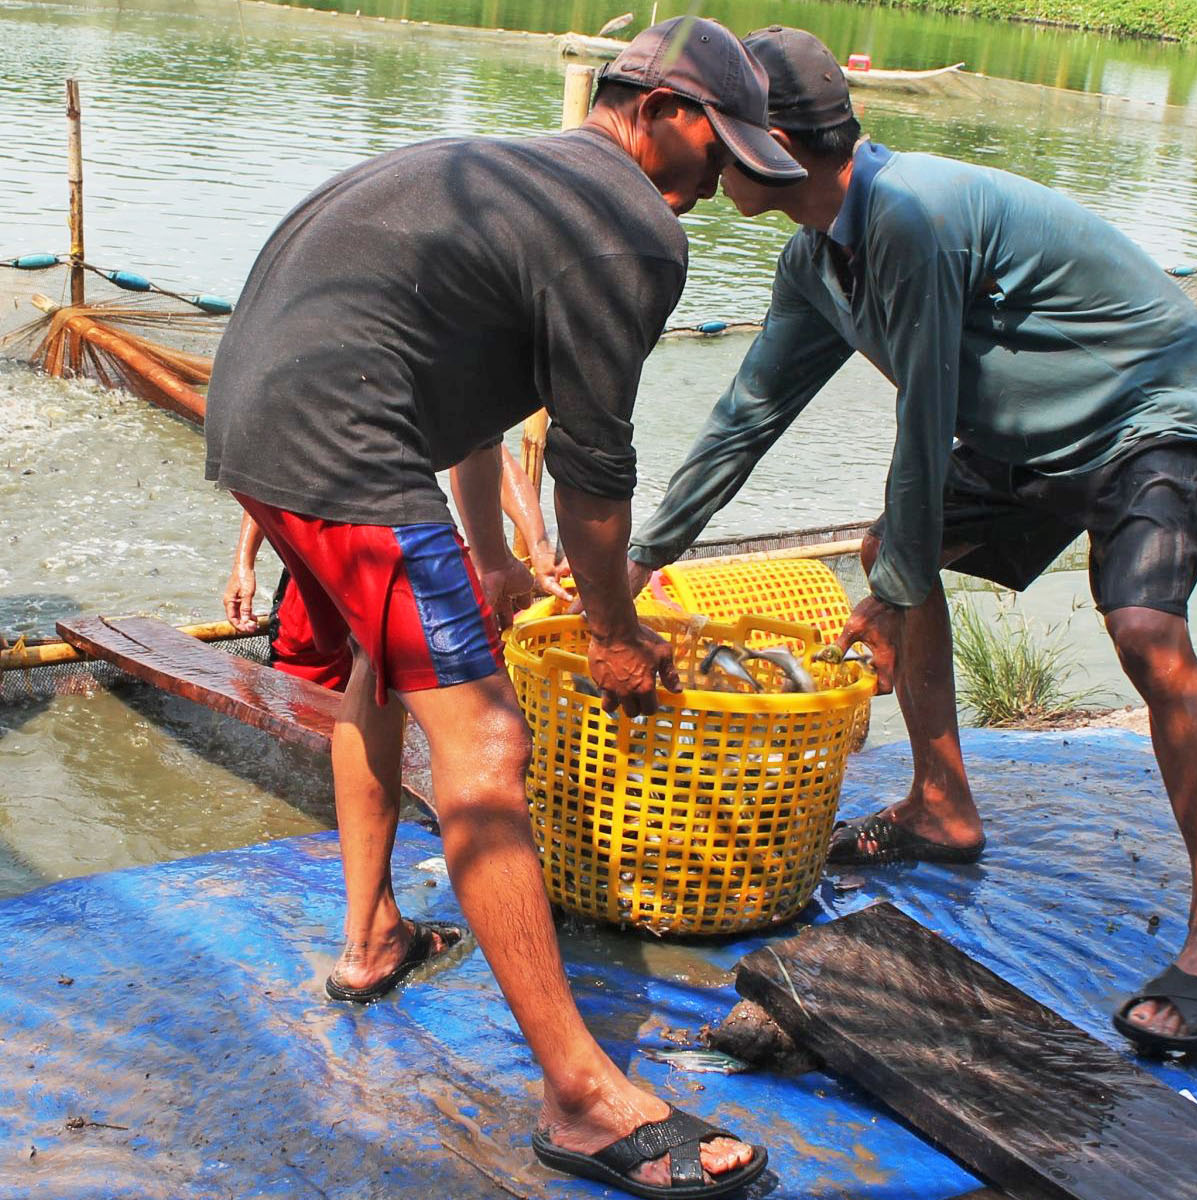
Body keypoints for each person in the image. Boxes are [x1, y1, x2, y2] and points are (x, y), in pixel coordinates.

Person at [204, 18, 804, 1196]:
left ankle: (372, 939)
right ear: (666, 110)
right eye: (719, 151)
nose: (717, 187)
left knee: (392, 671)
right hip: (346, 445)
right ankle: (583, 1098)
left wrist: (487, 554)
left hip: (257, 429)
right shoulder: (627, 226)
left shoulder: (507, 172)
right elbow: (593, 472)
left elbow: (466, 392)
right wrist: (616, 632)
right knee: (485, 739)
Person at [627, 26, 1197, 1055]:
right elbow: (748, 414)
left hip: (1149, 405)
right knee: (899, 543)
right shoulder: (816, 260)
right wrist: (639, 559)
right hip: (1022, 429)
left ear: (773, 144)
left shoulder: (911, 216)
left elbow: (922, 417)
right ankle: (940, 803)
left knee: (1144, 629)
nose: (705, 154)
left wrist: (889, 586)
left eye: (722, 132)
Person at [222, 445, 570, 692]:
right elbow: (278, 472)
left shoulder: (439, 376)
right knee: (306, 682)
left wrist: (537, 547)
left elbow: (488, 450)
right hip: (322, 551)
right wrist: (243, 564)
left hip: (402, 547)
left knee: (400, 684)